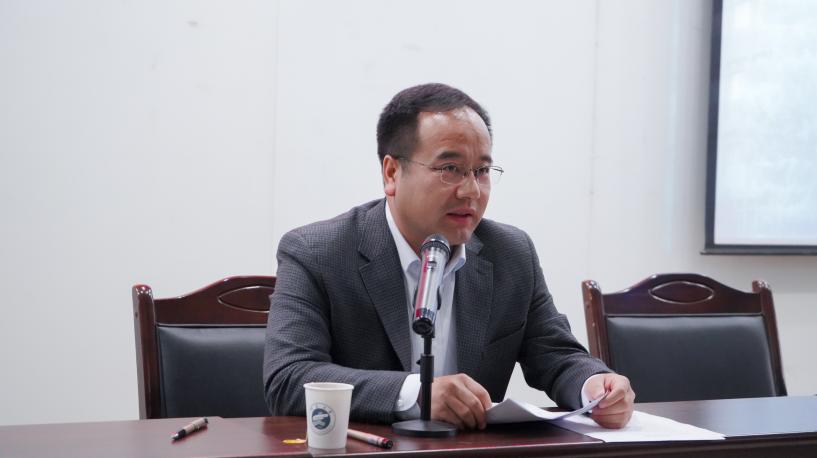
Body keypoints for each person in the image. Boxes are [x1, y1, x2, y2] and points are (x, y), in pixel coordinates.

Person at [263, 83, 635, 430]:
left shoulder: (511, 253)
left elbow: (556, 354)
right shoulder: (318, 253)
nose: (471, 190)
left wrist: (594, 385)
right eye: (450, 169)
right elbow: (289, 378)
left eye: (482, 171)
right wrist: (416, 393)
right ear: (391, 173)